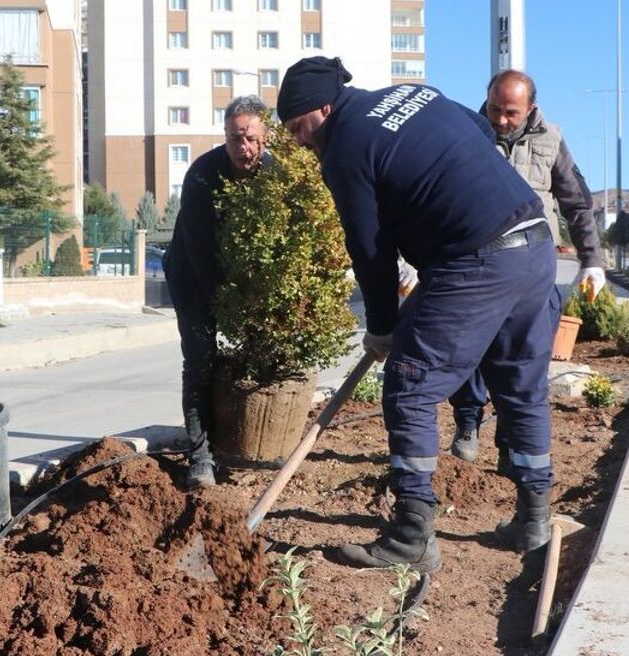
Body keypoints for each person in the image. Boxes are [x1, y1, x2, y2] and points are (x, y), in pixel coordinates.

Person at [278, 57, 560, 572]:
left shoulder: (345, 148)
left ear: (324, 108)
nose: (299, 141)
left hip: (477, 258)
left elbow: (369, 247)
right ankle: (534, 520)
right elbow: (480, 130)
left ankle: (411, 535)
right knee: (521, 385)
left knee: (410, 385)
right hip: (534, 243)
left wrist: (382, 326)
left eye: (299, 127)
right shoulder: (414, 93)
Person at [445, 69, 607, 465]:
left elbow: (577, 205)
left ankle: (510, 440)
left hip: (534, 267)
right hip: (478, 263)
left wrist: (592, 261)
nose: (500, 120)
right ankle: (467, 421)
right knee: (469, 350)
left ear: (530, 108)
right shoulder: (465, 134)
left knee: (525, 358)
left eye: (511, 113)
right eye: (494, 109)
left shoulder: (551, 140)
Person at [164, 95, 270, 489]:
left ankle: (240, 443)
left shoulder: (274, 175)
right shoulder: (202, 175)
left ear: (265, 135)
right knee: (200, 359)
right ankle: (200, 457)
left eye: (250, 138)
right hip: (192, 274)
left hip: (244, 279)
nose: (243, 147)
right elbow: (200, 252)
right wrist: (228, 308)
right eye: (234, 138)